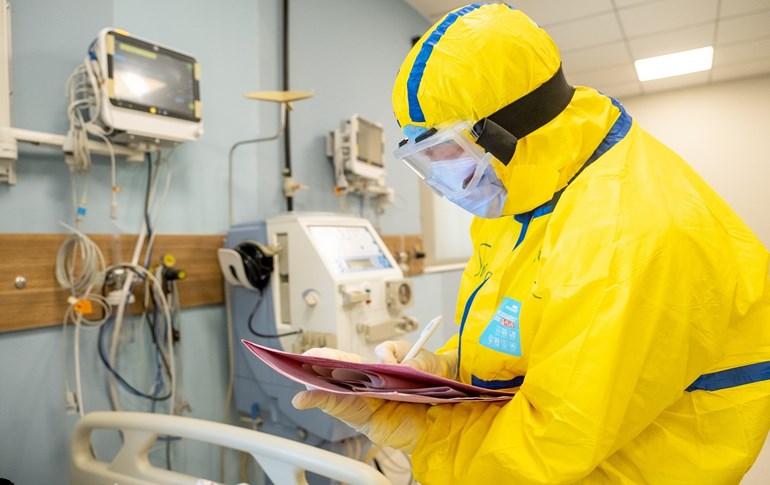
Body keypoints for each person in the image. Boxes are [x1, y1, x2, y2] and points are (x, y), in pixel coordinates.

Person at [293, 3, 770, 483]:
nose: (441, 178)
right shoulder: (522, 193)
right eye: (424, 157)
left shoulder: (627, 237)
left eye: (448, 153)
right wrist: (437, 370)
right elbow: (517, 337)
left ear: (508, 130)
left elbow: (545, 448)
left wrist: (419, 431)